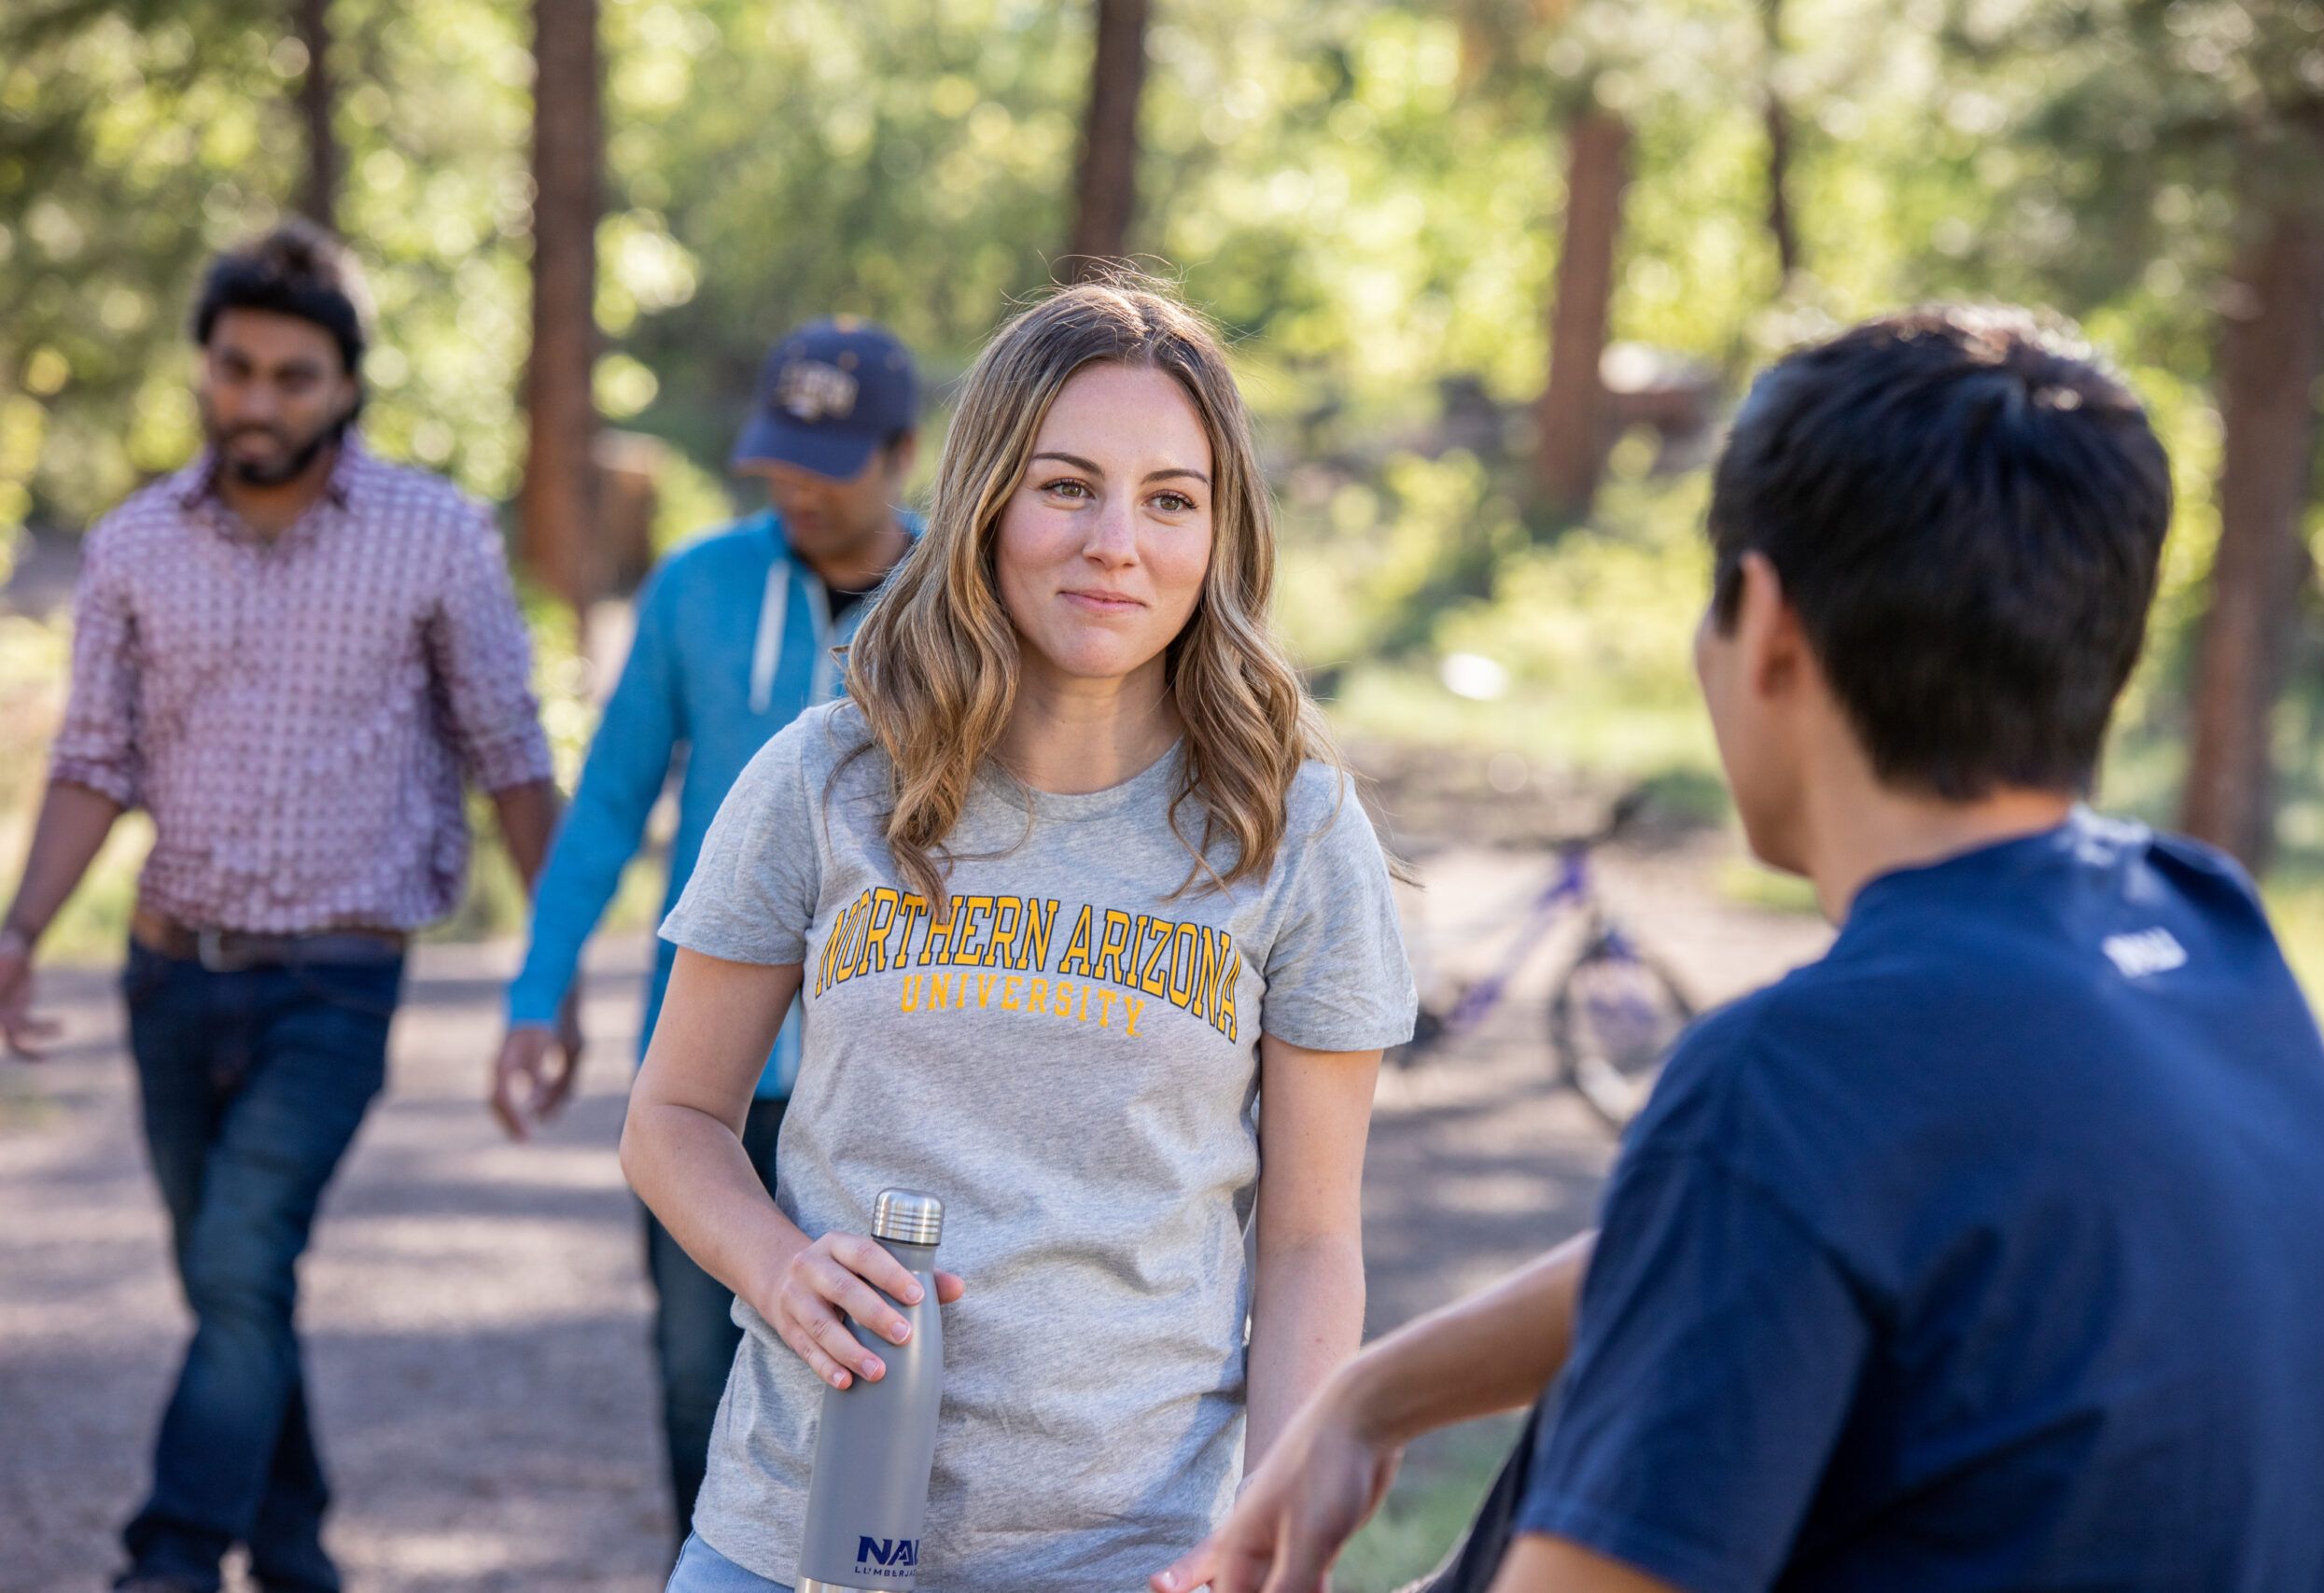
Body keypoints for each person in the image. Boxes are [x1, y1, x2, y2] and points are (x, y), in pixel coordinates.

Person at [1153, 308, 2324, 1593]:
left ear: (1766, 624)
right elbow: (1787, 1222)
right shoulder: (2205, 930)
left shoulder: (1794, 1084)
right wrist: (1374, 1393)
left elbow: (1778, 1185)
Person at [618, 276, 1418, 1593]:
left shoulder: (1297, 832)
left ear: (1220, 535)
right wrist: (778, 1267)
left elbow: (1311, 1242)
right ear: (985, 497)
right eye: (1067, 486)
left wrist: (1268, 1534)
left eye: (1171, 499)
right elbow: (673, 1120)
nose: (1119, 541)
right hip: (799, 1538)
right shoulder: (827, 781)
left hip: (1134, 1555)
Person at [0, 220, 566, 1593]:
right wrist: (19, 934)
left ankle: (173, 1557)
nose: (257, 401)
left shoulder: (437, 538)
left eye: (292, 376)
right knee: (232, 1284)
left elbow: (510, 759)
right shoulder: (134, 544)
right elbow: (91, 764)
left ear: (348, 386)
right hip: (165, 973)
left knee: (244, 1249)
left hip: (336, 980)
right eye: (237, 368)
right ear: (205, 369)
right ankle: (299, 1549)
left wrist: (548, 979)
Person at [488, 315, 923, 1539]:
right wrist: (538, 991)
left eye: (825, 463)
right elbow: (614, 800)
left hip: (894, 1059)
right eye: (777, 456)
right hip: (709, 1070)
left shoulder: (967, 598)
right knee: (698, 1373)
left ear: (901, 451)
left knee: (882, 1367)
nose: (794, 486)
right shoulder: (696, 586)